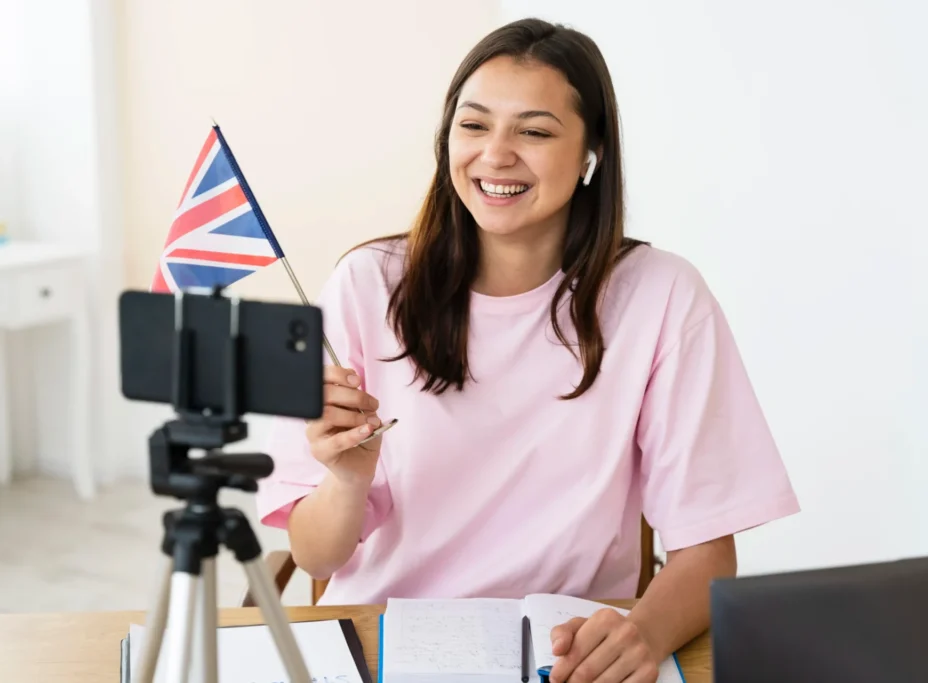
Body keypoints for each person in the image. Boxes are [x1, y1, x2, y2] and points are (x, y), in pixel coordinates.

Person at [257, 17, 799, 683]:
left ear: (591, 151)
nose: (495, 154)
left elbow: (708, 551)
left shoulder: (662, 296)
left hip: (565, 654)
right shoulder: (367, 285)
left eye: (535, 131)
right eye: (474, 124)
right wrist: (346, 477)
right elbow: (313, 557)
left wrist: (640, 634)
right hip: (389, 648)